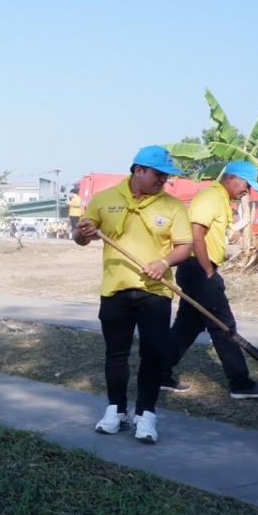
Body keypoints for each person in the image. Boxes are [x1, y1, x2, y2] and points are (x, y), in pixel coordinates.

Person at [74, 146, 193, 444]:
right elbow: (81, 238)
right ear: (138, 170)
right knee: (116, 354)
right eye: (158, 174)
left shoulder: (173, 206)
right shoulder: (105, 200)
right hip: (114, 291)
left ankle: (146, 414)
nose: (163, 180)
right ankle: (115, 410)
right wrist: (83, 232)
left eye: (166, 175)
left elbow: (184, 247)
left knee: (153, 354)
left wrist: (164, 262)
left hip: (155, 293)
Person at [160, 162, 258, 398]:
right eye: (246, 184)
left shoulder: (221, 199)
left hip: (197, 269)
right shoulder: (210, 197)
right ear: (232, 178)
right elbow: (195, 235)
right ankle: (240, 383)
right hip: (198, 269)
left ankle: (158, 372)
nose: (248, 191)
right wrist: (208, 271)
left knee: (188, 325)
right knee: (224, 326)